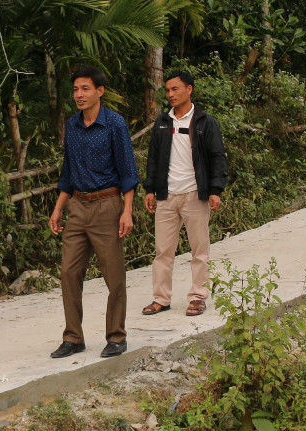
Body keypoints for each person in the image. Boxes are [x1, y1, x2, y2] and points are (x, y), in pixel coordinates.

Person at [48, 65, 137, 360]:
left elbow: (127, 172)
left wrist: (127, 211)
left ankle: (116, 337)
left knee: (114, 276)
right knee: (69, 273)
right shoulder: (72, 126)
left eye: (85, 88)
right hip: (77, 206)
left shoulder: (115, 124)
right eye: (75, 89)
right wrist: (58, 209)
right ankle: (73, 337)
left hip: (107, 206)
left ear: (100, 91)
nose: (79, 94)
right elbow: (67, 173)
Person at [141, 68, 228, 319]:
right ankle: (161, 298)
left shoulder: (204, 122)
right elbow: (154, 158)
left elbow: (217, 156)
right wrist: (149, 189)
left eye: (175, 89)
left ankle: (198, 296)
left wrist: (215, 189)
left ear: (189, 89)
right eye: (167, 90)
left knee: (199, 249)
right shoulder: (162, 122)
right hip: (166, 195)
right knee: (162, 251)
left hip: (194, 193)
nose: (170, 94)